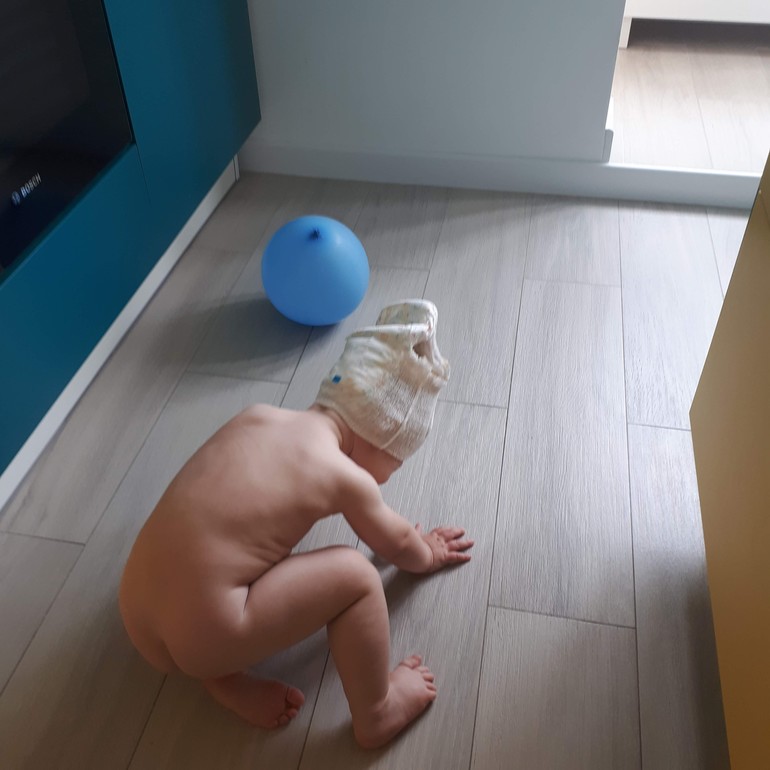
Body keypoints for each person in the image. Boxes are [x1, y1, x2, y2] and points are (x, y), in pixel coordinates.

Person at [118, 299, 473, 749]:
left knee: (238, 549)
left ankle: (220, 674)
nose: (391, 474)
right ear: (379, 440)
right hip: (208, 628)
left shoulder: (258, 416)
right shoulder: (346, 478)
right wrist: (428, 553)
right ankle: (376, 712)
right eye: (397, 462)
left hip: (137, 607)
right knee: (357, 576)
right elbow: (399, 544)